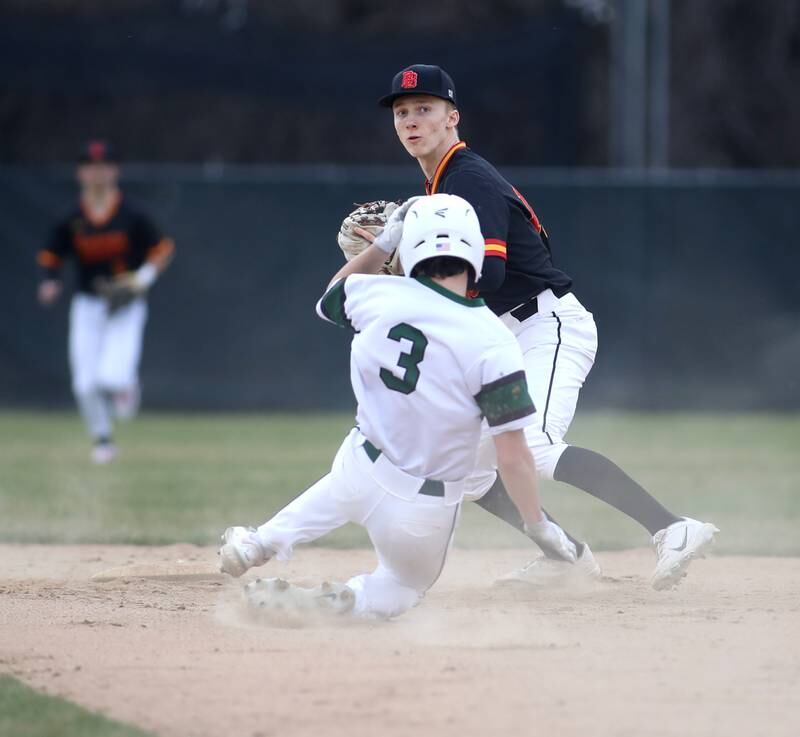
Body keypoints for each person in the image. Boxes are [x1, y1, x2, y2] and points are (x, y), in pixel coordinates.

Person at [374, 64, 718, 591]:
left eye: (424, 109)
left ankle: (673, 528)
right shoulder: (443, 182)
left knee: (532, 442)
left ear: (452, 117)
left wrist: (408, 274)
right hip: (508, 334)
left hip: (546, 325)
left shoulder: (465, 178)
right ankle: (564, 555)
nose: (411, 121)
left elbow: (490, 272)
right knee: (466, 467)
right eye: (402, 112)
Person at [218, 194, 576, 619]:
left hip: (359, 466)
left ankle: (257, 542)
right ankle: (348, 600)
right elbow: (514, 456)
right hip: (422, 509)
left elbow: (331, 296)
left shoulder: (375, 295)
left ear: (410, 247)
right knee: (402, 588)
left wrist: (385, 242)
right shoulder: (493, 340)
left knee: (342, 481)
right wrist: (537, 524)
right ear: (477, 252)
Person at [37, 140, 175, 464]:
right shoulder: (72, 218)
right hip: (88, 304)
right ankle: (102, 440)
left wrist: (142, 279)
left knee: (111, 377)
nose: (97, 173)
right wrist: (49, 282)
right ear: (80, 173)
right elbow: (51, 256)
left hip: (127, 304)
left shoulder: (131, 214)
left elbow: (163, 250)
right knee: (85, 384)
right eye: (90, 166)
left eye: (103, 166)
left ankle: (127, 383)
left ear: (114, 171)